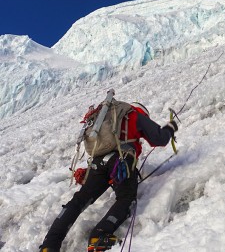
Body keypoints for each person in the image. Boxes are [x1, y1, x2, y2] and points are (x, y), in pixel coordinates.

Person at [39, 102, 178, 252]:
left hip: (97, 164)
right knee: (126, 197)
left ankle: (49, 245)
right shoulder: (134, 114)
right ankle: (99, 235)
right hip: (121, 161)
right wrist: (171, 127)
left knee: (79, 201)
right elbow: (159, 139)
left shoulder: (109, 119)